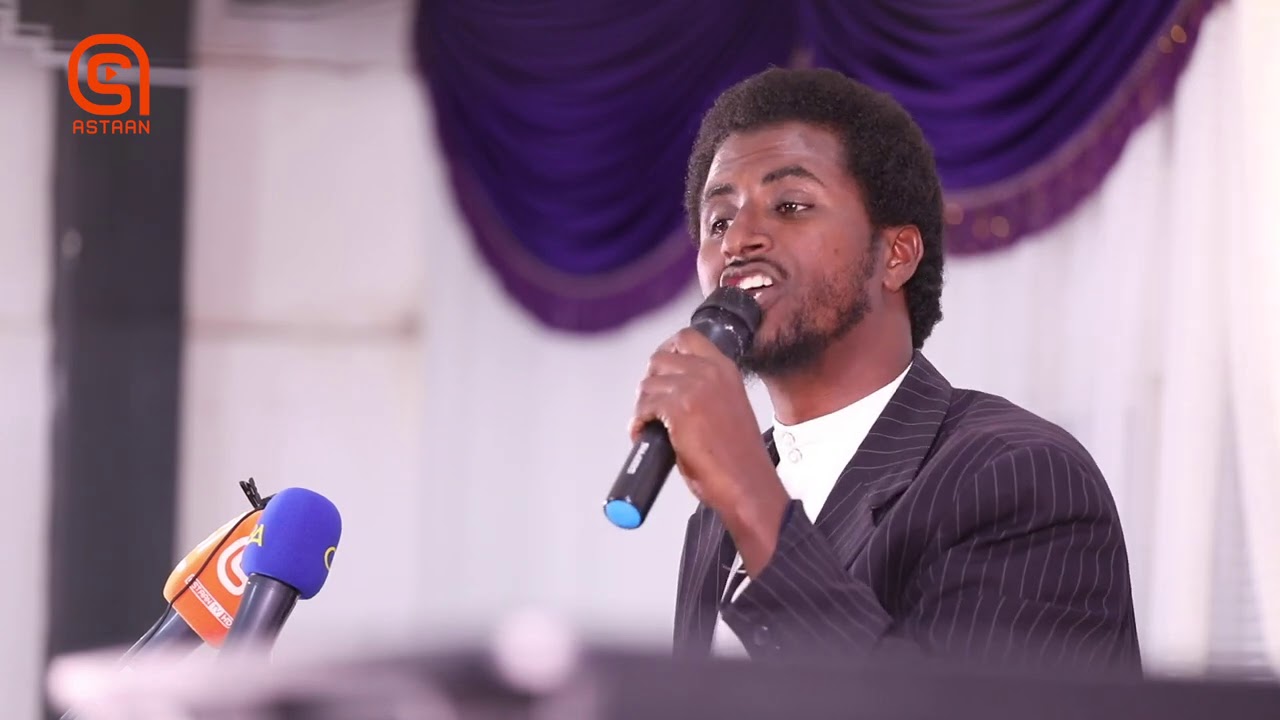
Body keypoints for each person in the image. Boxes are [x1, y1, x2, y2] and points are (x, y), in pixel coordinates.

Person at [629, 67, 1141, 674]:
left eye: (789, 205)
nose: (737, 240)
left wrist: (749, 495)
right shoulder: (716, 517)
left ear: (895, 256)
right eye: (718, 220)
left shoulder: (1017, 476)